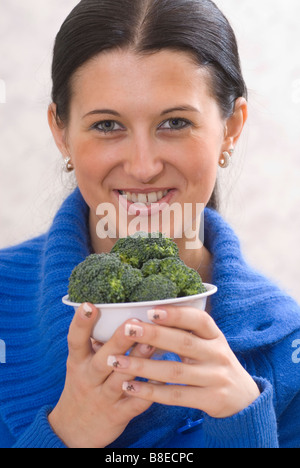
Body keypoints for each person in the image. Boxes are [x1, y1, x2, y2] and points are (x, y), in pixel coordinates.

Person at [0, 0, 299, 449]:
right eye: (107, 125)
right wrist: (63, 434)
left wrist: (244, 426)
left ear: (231, 127)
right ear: (61, 132)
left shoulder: (286, 346)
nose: (143, 167)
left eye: (175, 122)